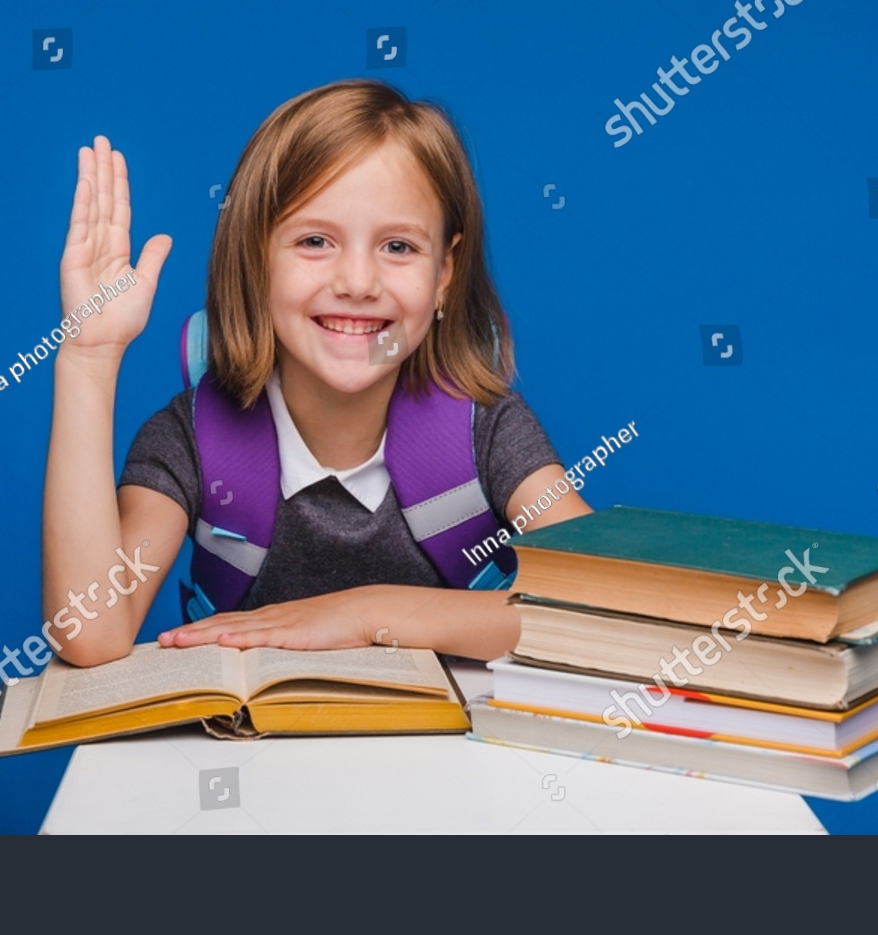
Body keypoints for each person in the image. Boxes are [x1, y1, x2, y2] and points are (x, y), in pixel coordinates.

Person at [41, 79, 592, 668]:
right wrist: (89, 360)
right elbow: (90, 633)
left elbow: (596, 611)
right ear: (257, 261)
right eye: (314, 240)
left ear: (444, 275)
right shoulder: (193, 442)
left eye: (399, 247)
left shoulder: (487, 432)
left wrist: (363, 614)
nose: (357, 282)